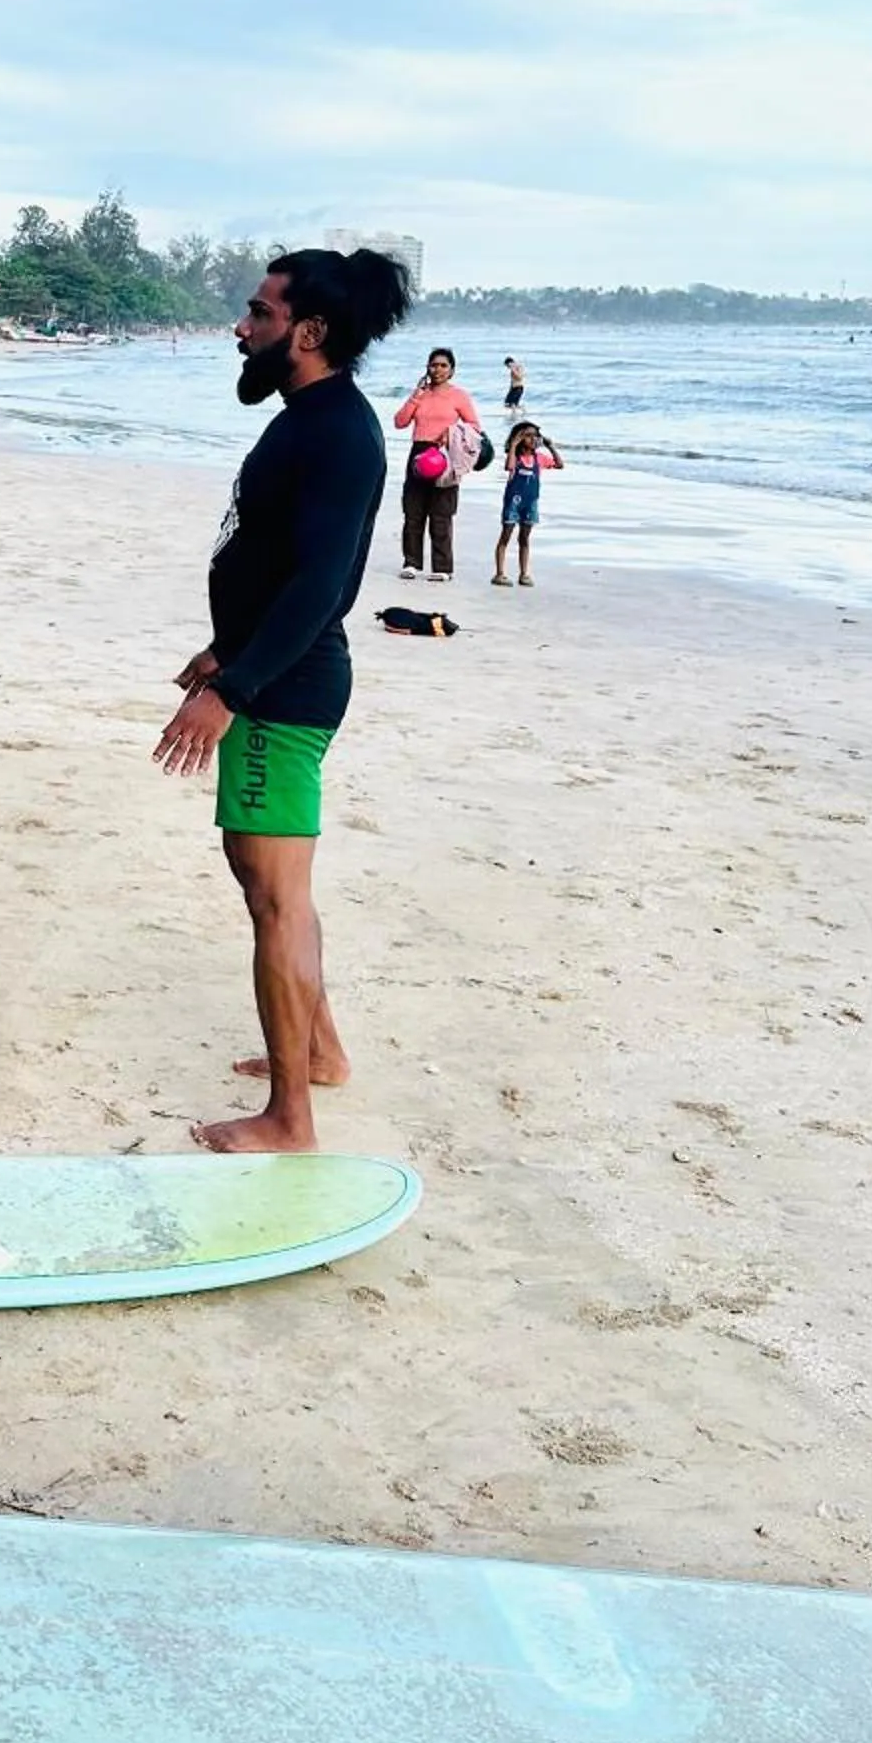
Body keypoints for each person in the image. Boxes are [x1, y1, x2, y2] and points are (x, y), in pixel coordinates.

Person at [154, 247, 411, 1153]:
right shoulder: (309, 417)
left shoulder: (337, 430)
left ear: (308, 332)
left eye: (259, 314)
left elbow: (323, 584)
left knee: (276, 903)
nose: (242, 326)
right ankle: (324, 1051)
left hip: (286, 691)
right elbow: (277, 562)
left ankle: (290, 1120)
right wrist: (227, 647)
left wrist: (237, 686)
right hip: (269, 671)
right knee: (271, 884)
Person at [392, 345, 484, 581]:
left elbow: (474, 426)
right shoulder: (420, 394)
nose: (438, 369)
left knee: (441, 512)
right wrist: (415, 395)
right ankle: (411, 562)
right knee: (413, 510)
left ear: (452, 370)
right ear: (427, 368)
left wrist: (451, 432)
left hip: (445, 453)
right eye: (434, 365)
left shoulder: (459, 396)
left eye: (443, 365)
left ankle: (442, 568)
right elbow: (400, 422)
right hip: (419, 452)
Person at [492, 419, 562, 587]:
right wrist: (514, 446)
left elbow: (559, 465)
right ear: (519, 438)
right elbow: (509, 467)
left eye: (534, 436)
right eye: (527, 436)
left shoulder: (539, 459)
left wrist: (550, 446)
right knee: (506, 535)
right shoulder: (516, 458)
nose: (532, 439)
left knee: (525, 537)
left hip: (530, 503)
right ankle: (500, 573)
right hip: (513, 502)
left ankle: (524, 573)